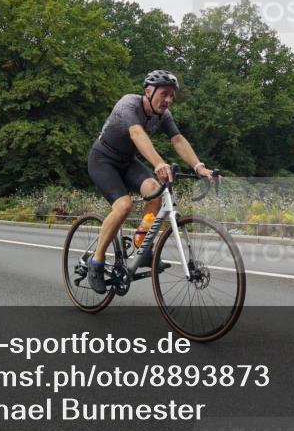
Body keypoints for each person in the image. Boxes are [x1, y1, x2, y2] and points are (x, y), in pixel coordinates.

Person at [85, 70, 213, 293]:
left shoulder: (164, 115)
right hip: (103, 159)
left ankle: (141, 247)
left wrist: (198, 166)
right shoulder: (129, 104)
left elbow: (178, 139)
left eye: (171, 96)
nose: (168, 100)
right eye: (164, 94)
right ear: (148, 91)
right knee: (123, 205)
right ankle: (95, 263)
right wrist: (158, 163)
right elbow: (136, 133)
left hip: (127, 162)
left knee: (154, 192)